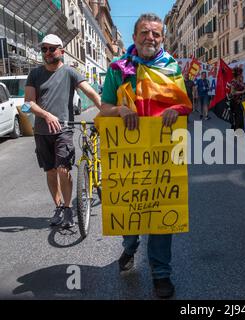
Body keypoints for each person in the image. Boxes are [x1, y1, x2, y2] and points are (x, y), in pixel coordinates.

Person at [99, 13, 191, 298]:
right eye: (145, 33)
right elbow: (104, 107)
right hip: (128, 153)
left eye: (156, 34)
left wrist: (176, 109)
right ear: (135, 36)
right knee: (130, 212)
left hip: (162, 153)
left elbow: (184, 104)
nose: (150, 38)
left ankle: (161, 275)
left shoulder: (172, 67)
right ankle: (129, 247)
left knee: (161, 215)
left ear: (162, 38)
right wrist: (120, 110)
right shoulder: (118, 69)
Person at [24, 34, 101, 229]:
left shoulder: (70, 72)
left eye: (51, 49)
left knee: (63, 169)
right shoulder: (34, 74)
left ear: (61, 51)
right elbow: (28, 103)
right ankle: (58, 206)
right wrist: (47, 115)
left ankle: (68, 209)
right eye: (44, 49)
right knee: (50, 171)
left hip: (64, 130)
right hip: (41, 131)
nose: (47, 53)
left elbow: (90, 93)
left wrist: (107, 111)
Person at [228, 67, 245, 131]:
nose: (242, 75)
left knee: (240, 116)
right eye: (240, 74)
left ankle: (237, 130)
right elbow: (232, 92)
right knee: (238, 117)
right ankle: (237, 130)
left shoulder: (241, 82)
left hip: (240, 102)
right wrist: (242, 91)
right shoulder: (233, 81)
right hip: (235, 102)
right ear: (238, 75)